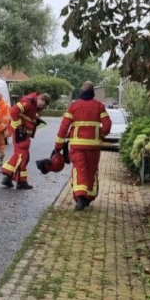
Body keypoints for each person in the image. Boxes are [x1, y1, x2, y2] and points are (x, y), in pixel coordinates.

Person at [55, 81, 112, 210]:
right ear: (93, 92)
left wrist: (58, 145)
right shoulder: (99, 106)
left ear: (82, 90)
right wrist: (100, 134)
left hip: (77, 145)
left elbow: (64, 126)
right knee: (91, 170)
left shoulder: (74, 106)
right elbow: (107, 125)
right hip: (94, 146)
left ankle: (80, 196)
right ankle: (88, 197)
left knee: (79, 169)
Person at [1, 91, 50, 190]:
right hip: (21, 133)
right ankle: (21, 181)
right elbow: (14, 112)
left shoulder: (34, 104)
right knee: (23, 156)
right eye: (41, 104)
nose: (41, 106)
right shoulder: (28, 101)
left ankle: (8, 176)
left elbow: (27, 115)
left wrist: (34, 119)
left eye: (42, 106)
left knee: (19, 155)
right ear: (40, 98)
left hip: (22, 133)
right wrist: (20, 126)